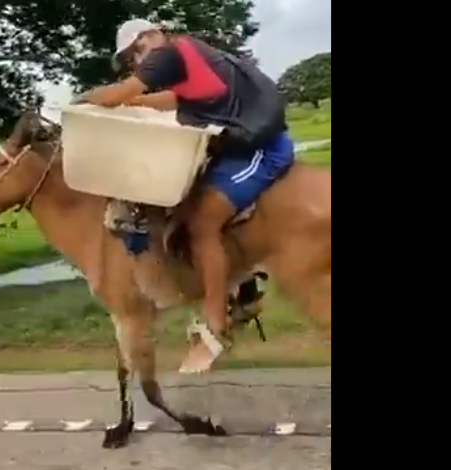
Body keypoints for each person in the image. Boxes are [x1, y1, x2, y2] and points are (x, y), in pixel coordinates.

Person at [74, 19, 295, 373]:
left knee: (203, 225)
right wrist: (135, 104)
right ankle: (241, 284)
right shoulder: (185, 57)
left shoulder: (166, 53)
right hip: (237, 143)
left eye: (135, 54)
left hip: (261, 149)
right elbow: (168, 101)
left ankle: (216, 322)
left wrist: (79, 105)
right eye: (134, 59)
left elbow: (116, 94)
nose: (137, 62)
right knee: (183, 203)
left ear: (147, 38)